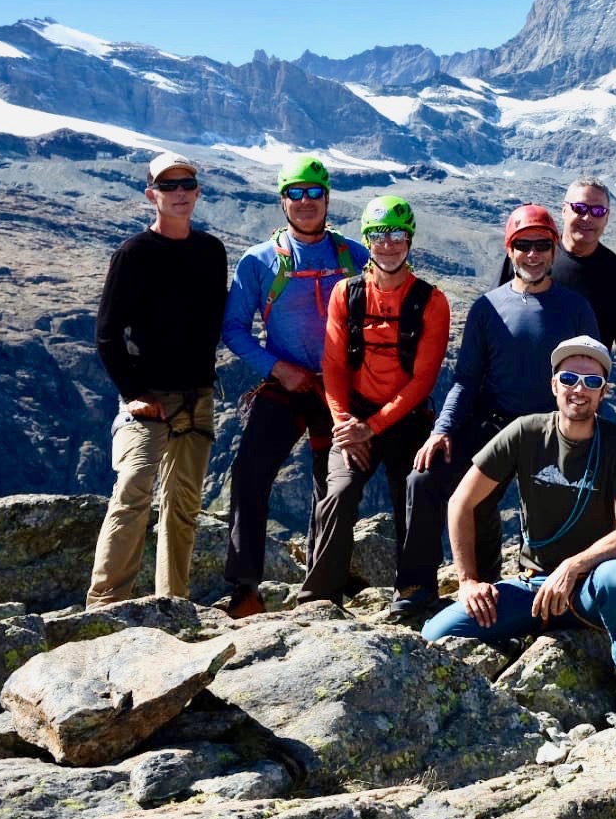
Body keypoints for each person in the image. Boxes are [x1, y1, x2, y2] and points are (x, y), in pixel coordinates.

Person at [422, 335, 616, 721]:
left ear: (604, 393)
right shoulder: (526, 432)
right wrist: (467, 580)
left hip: (590, 589)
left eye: (592, 382)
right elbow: (461, 501)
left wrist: (571, 567)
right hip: (532, 587)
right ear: (553, 385)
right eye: (569, 379)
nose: (579, 389)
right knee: (436, 633)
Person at [392, 204, 599, 621]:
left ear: (555, 249)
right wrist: (442, 431)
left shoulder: (575, 308)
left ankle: (555, 592)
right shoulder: (488, 307)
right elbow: (467, 379)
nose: (533, 254)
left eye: (542, 244)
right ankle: (416, 587)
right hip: (495, 425)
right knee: (425, 478)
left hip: (550, 430)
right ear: (509, 249)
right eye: (523, 245)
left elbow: (591, 375)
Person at [220, 155, 369, 618]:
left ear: (327, 199)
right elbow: (234, 328)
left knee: (335, 484)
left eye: (314, 194)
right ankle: (244, 589)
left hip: (339, 388)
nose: (305, 203)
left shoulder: (354, 256)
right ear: (283, 201)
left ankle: (324, 584)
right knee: (249, 476)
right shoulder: (260, 261)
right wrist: (276, 368)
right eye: (296, 194)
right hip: (287, 384)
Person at [87, 152, 228, 607]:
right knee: (133, 490)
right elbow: (107, 335)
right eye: (169, 186)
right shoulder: (134, 254)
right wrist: (134, 394)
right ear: (152, 195)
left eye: (187, 184)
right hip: (147, 399)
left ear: (197, 192)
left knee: (184, 506)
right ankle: (106, 604)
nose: (180, 192)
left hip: (197, 397)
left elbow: (213, 323)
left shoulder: (211, 251)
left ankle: (175, 603)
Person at [298, 196, 450, 605]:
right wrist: (346, 426)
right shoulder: (346, 294)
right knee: (340, 489)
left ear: (410, 239)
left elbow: (422, 380)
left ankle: (415, 589)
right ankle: (320, 596)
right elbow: (332, 366)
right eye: (378, 236)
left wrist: (373, 427)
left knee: (417, 488)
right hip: (354, 416)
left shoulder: (431, 302)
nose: (388, 245)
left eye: (397, 235)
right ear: (367, 240)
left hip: (408, 417)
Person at [497, 177, 616, 430]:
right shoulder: (529, 256)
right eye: (580, 208)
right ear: (564, 209)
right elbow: (492, 322)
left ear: (607, 217)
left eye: (597, 211)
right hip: (508, 408)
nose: (588, 218)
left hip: (576, 415)